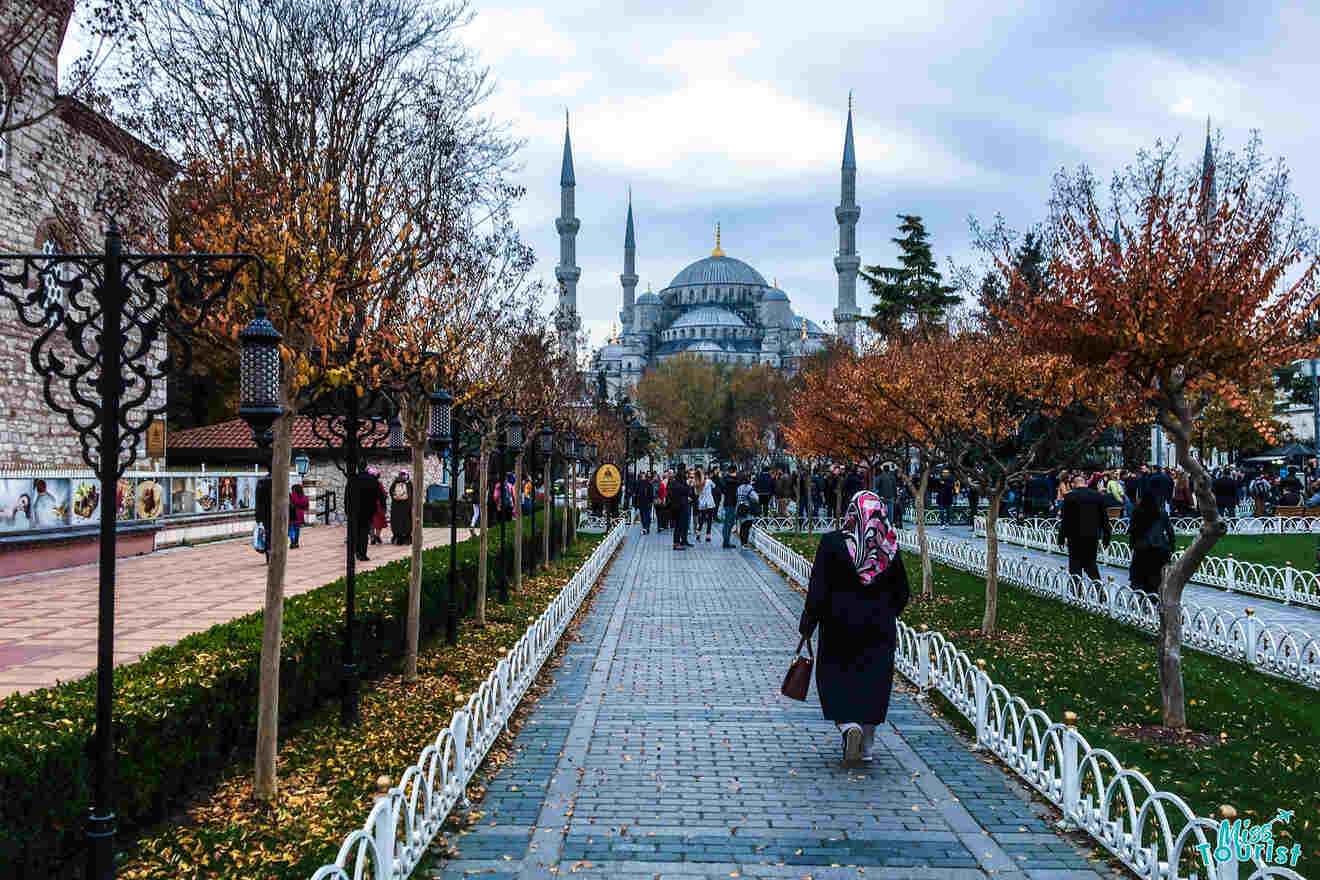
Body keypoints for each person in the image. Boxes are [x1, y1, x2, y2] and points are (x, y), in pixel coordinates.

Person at [798, 491, 910, 765]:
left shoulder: (832, 543)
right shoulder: (887, 548)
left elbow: (818, 590)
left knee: (836, 678)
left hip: (838, 626)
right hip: (878, 627)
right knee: (872, 682)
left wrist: (808, 625)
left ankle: (848, 726)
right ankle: (868, 746)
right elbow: (903, 591)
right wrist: (885, 613)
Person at [1058, 473, 1112, 580]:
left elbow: (1065, 520)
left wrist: (1061, 538)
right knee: (1091, 564)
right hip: (1092, 535)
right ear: (1086, 483)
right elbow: (1104, 519)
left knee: (1075, 565)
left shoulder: (1069, 497)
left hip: (1074, 536)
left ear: (1073, 484)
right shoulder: (1097, 496)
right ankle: (1099, 590)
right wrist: (1107, 536)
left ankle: (1077, 592)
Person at [1128, 492, 1174, 592]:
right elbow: (1170, 531)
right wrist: (1171, 545)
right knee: (1157, 574)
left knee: (1143, 574)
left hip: (1143, 548)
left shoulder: (1138, 512)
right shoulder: (1162, 512)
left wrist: (1132, 544)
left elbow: (1133, 531)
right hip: (1160, 548)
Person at [348, 466, 383, 562]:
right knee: (364, 533)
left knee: (356, 532)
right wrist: (381, 507)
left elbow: (347, 495)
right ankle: (362, 553)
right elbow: (380, 495)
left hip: (355, 510)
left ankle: (356, 552)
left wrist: (348, 509)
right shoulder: (373, 480)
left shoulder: (353, 479)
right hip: (368, 511)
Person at [668, 465, 693, 550]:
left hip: (682, 506)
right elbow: (684, 490)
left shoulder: (680, 481)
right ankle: (676, 543)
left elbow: (686, 490)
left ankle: (682, 541)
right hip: (678, 507)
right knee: (678, 526)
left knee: (683, 525)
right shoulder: (675, 482)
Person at [389, 470, 413, 545]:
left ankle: (398, 538)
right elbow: (412, 494)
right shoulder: (408, 483)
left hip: (396, 507)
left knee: (397, 522)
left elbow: (391, 492)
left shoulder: (395, 483)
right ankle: (407, 538)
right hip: (406, 507)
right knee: (406, 522)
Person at [721, 470, 742, 548]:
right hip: (732, 503)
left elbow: (723, 490)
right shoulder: (736, 482)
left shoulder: (724, 480)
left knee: (726, 523)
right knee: (729, 523)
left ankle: (725, 540)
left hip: (726, 503)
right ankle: (726, 542)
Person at [736, 475, 759, 547]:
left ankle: (742, 541)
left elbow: (736, 496)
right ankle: (745, 542)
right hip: (747, 508)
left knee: (742, 525)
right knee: (747, 525)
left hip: (739, 507)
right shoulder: (749, 488)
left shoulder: (739, 488)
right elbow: (756, 498)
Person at [696, 467, 717, 542]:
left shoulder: (697, 484)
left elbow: (696, 493)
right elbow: (714, 486)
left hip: (702, 503)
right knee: (709, 520)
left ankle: (698, 533)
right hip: (710, 503)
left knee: (702, 519)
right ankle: (708, 535)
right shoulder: (708, 481)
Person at [288, 483, 309, 548]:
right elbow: (306, 506)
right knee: (297, 529)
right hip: (300, 514)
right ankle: (296, 542)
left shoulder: (292, 496)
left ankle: (292, 541)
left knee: (291, 529)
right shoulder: (304, 497)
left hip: (292, 514)